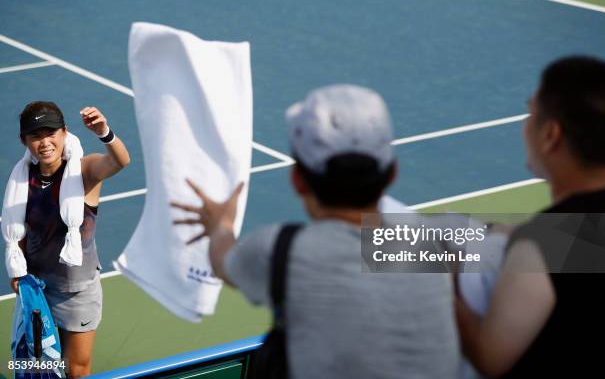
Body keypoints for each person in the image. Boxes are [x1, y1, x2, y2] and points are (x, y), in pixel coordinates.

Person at [172, 84, 460, 378]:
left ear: (297, 180)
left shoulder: (279, 251)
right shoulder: (438, 241)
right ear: (393, 173)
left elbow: (223, 260)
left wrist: (220, 224)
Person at [455, 56, 605, 377]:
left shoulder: (546, 242)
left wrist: (443, 288)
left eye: (531, 114)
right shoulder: (567, 235)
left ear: (550, 135)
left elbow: (490, 358)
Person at [4, 101, 130, 378]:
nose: (45, 142)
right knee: (35, 366)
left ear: (64, 133)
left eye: (51, 133)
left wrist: (104, 132)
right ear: (24, 140)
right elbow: (24, 228)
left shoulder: (84, 171)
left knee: (75, 370)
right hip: (37, 288)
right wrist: (19, 271)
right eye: (36, 136)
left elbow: (120, 161)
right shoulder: (23, 181)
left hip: (77, 292)